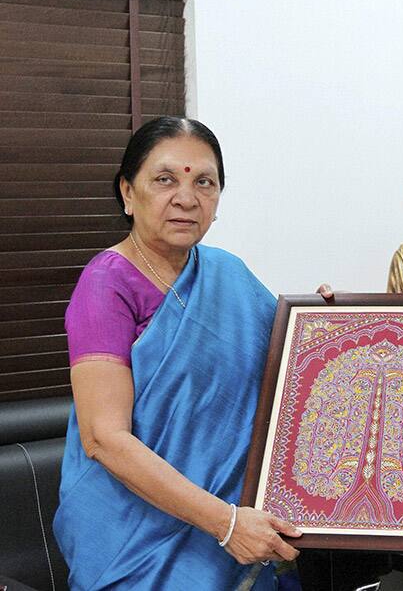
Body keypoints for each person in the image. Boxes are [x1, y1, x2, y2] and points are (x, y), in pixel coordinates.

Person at [53, 117, 301, 589]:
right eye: (165, 179)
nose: (187, 198)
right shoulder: (106, 285)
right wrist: (225, 524)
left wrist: (337, 315)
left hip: (242, 534)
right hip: (138, 541)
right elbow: (104, 438)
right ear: (128, 193)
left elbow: (302, 364)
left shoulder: (230, 275)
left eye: (203, 182)